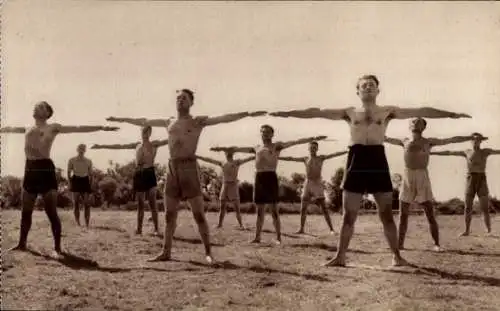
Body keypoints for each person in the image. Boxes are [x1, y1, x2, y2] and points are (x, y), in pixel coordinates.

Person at [268, 74, 471, 266]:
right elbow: (317, 111)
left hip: (377, 159)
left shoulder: (387, 111)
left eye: (371, 84)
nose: (368, 86)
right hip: (356, 159)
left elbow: (421, 109)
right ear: (357, 91)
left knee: (386, 214)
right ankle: (340, 257)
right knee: (349, 215)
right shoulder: (349, 112)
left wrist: (451, 114)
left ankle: (396, 257)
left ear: (378, 90)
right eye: (364, 84)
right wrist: (286, 113)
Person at [106, 89, 267, 264]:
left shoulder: (197, 121)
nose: (180, 100)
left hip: (189, 167)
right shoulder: (169, 121)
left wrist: (248, 114)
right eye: (178, 98)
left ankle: (208, 253)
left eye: (184, 98)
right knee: (169, 215)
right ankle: (166, 252)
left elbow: (223, 118)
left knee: (198, 214)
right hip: (172, 168)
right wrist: (120, 119)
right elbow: (143, 120)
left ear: (191, 102)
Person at [0, 101, 119, 258]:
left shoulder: (53, 127)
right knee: (26, 211)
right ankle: (22, 244)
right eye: (36, 106)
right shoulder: (27, 128)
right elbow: (9, 129)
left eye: (41, 107)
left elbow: (77, 128)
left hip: (45, 170)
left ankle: (57, 248)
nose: (36, 107)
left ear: (47, 113)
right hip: (30, 170)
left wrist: (101, 127)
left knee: (51, 212)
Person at [216, 126, 327, 244]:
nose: (265, 134)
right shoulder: (256, 148)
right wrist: (221, 148)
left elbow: (296, 142)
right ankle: (257, 237)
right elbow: (236, 149)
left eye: (268, 132)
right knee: (260, 210)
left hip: (271, 177)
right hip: (259, 178)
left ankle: (279, 237)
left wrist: (313, 138)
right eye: (263, 132)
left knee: (274, 210)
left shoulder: (276, 146)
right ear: (260, 134)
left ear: (272, 134)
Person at [384, 118, 478, 251]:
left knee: (429, 213)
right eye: (413, 122)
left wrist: (469, 137)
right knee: (403, 214)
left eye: (419, 122)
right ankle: (400, 245)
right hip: (408, 177)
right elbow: (384, 138)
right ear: (409, 126)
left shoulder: (428, 142)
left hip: (422, 176)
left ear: (423, 127)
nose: (415, 123)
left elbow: (451, 139)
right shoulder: (404, 141)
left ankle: (436, 244)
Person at [91, 125, 169, 236]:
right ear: (141, 132)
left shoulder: (154, 144)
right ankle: (139, 229)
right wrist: (101, 146)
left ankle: (156, 229)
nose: (144, 133)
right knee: (141, 203)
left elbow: (169, 139)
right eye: (143, 131)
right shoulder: (137, 145)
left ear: (150, 133)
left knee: (152, 202)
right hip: (139, 174)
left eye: (147, 131)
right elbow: (120, 146)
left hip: (150, 173)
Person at [430, 132, 496, 236]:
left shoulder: (485, 152)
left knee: (484, 207)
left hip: (481, 179)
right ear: (471, 141)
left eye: (478, 139)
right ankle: (467, 230)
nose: (475, 141)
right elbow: (449, 152)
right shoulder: (467, 152)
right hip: (470, 179)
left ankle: (488, 229)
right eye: (473, 139)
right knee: (468, 207)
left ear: (481, 141)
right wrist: (432, 153)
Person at [278, 142, 347, 234]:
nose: (312, 149)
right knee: (303, 208)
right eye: (311, 148)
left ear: (317, 149)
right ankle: (301, 229)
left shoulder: (320, 158)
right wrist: (277, 157)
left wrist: (346, 151)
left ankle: (331, 229)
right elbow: (291, 158)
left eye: (314, 148)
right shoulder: (305, 159)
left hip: (317, 183)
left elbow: (333, 154)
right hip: (308, 183)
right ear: (308, 149)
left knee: (323, 207)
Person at [195, 151, 255, 229]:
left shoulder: (237, 162)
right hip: (225, 184)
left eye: (229, 152)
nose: (228, 153)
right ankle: (220, 224)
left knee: (237, 207)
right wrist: (198, 156)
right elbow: (209, 159)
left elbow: (248, 159)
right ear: (225, 154)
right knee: (222, 207)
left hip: (233, 185)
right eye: (226, 152)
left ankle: (241, 225)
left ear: (232, 153)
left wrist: (256, 154)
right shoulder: (222, 162)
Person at [67, 144, 93, 228]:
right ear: (77, 150)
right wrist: (70, 183)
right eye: (80, 149)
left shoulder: (88, 161)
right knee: (76, 203)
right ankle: (78, 223)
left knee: (87, 204)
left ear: (85, 150)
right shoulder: (72, 160)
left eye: (83, 149)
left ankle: (87, 223)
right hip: (75, 180)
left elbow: (91, 174)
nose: (81, 150)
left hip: (85, 180)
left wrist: (90, 185)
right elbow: (68, 172)